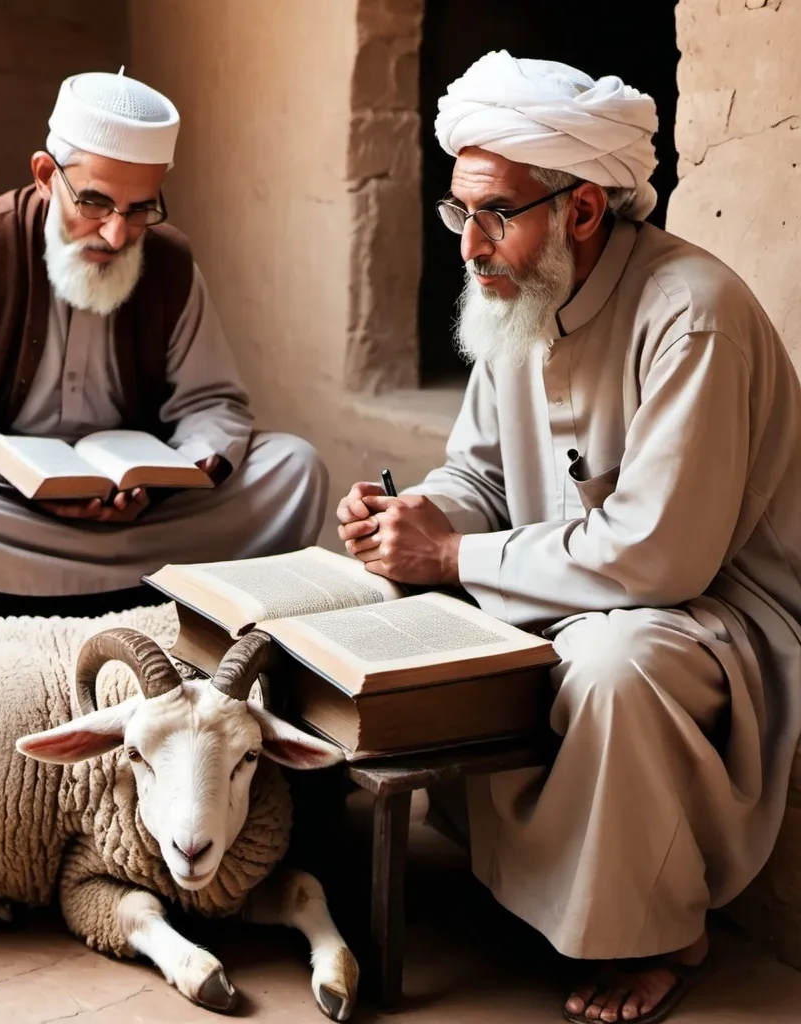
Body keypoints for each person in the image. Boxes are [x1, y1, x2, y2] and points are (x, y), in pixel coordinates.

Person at [337, 50, 801, 1023]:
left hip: (713, 618)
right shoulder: (517, 291)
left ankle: (659, 932)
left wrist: (456, 556)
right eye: (458, 212)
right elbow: (479, 474)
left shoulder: (690, 313)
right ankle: (511, 882)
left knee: (611, 660)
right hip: (565, 580)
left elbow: (660, 558)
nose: (468, 245)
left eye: (492, 214)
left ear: (581, 210)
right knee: (374, 601)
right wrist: (417, 521)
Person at [0, 69, 327, 629]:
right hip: (14, 508)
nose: (117, 235)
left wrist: (176, 471)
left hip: (145, 511)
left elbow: (213, 401)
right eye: (95, 203)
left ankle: (226, 622)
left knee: (294, 467)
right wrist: (35, 486)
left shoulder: (169, 262)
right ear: (46, 175)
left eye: (141, 209)